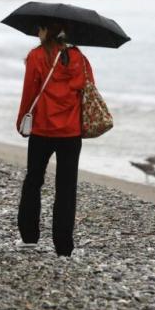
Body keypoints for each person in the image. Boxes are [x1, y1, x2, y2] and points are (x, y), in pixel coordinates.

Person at [15, 22, 94, 257]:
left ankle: (29, 237)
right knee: (66, 188)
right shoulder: (80, 58)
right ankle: (64, 247)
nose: (37, 33)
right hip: (71, 132)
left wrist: (22, 121)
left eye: (39, 28)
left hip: (42, 130)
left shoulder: (36, 56)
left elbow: (29, 93)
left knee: (33, 181)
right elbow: (89, 92)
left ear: (47, 31)